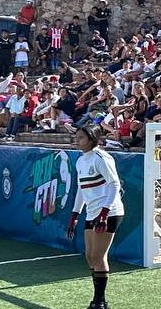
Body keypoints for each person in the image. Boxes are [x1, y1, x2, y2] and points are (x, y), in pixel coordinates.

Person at [65, 125, 124, 309]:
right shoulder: (81, 161)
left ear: (92, 139)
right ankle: (100, 300)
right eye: (76, 137)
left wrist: (105, 213)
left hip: (109, 212)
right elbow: (81, 190)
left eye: (81, 137)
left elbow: (114, 185)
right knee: (90, 256)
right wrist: (75, 214)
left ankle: (99, 301)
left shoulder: (101, 158)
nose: (77, 140)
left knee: (98, 256)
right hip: (92, 212)